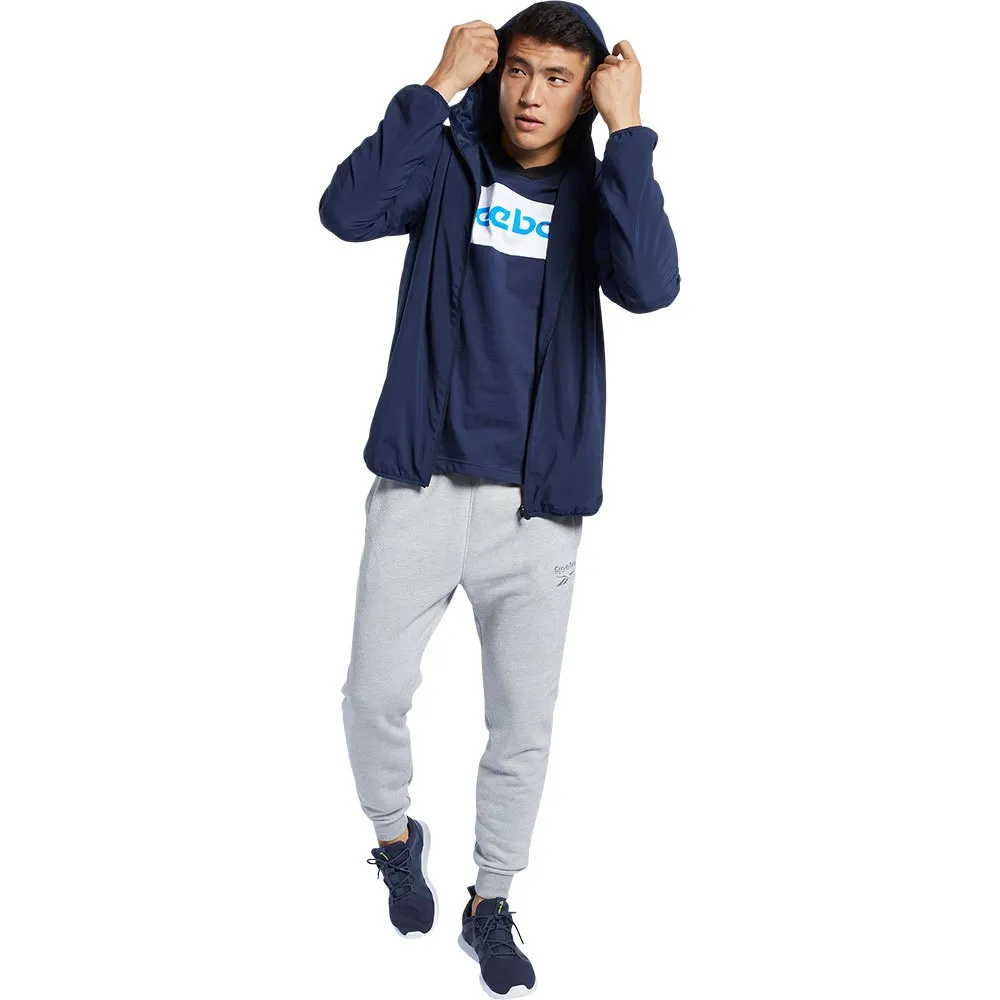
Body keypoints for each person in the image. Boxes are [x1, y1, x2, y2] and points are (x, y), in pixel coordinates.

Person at [318, 3, 680, 995]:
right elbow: (345, 212)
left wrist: (632, 132)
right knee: (372, 695)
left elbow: (650, 286)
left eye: (558, 78)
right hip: (420, 485)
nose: (530, 94)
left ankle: (491, 901)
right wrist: (434, 87)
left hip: (536, 509)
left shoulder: (597, 193)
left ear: (585, 92)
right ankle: (394, 835)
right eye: (518, 70)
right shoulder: (449, 160)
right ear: (495, 72)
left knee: (522, 723)